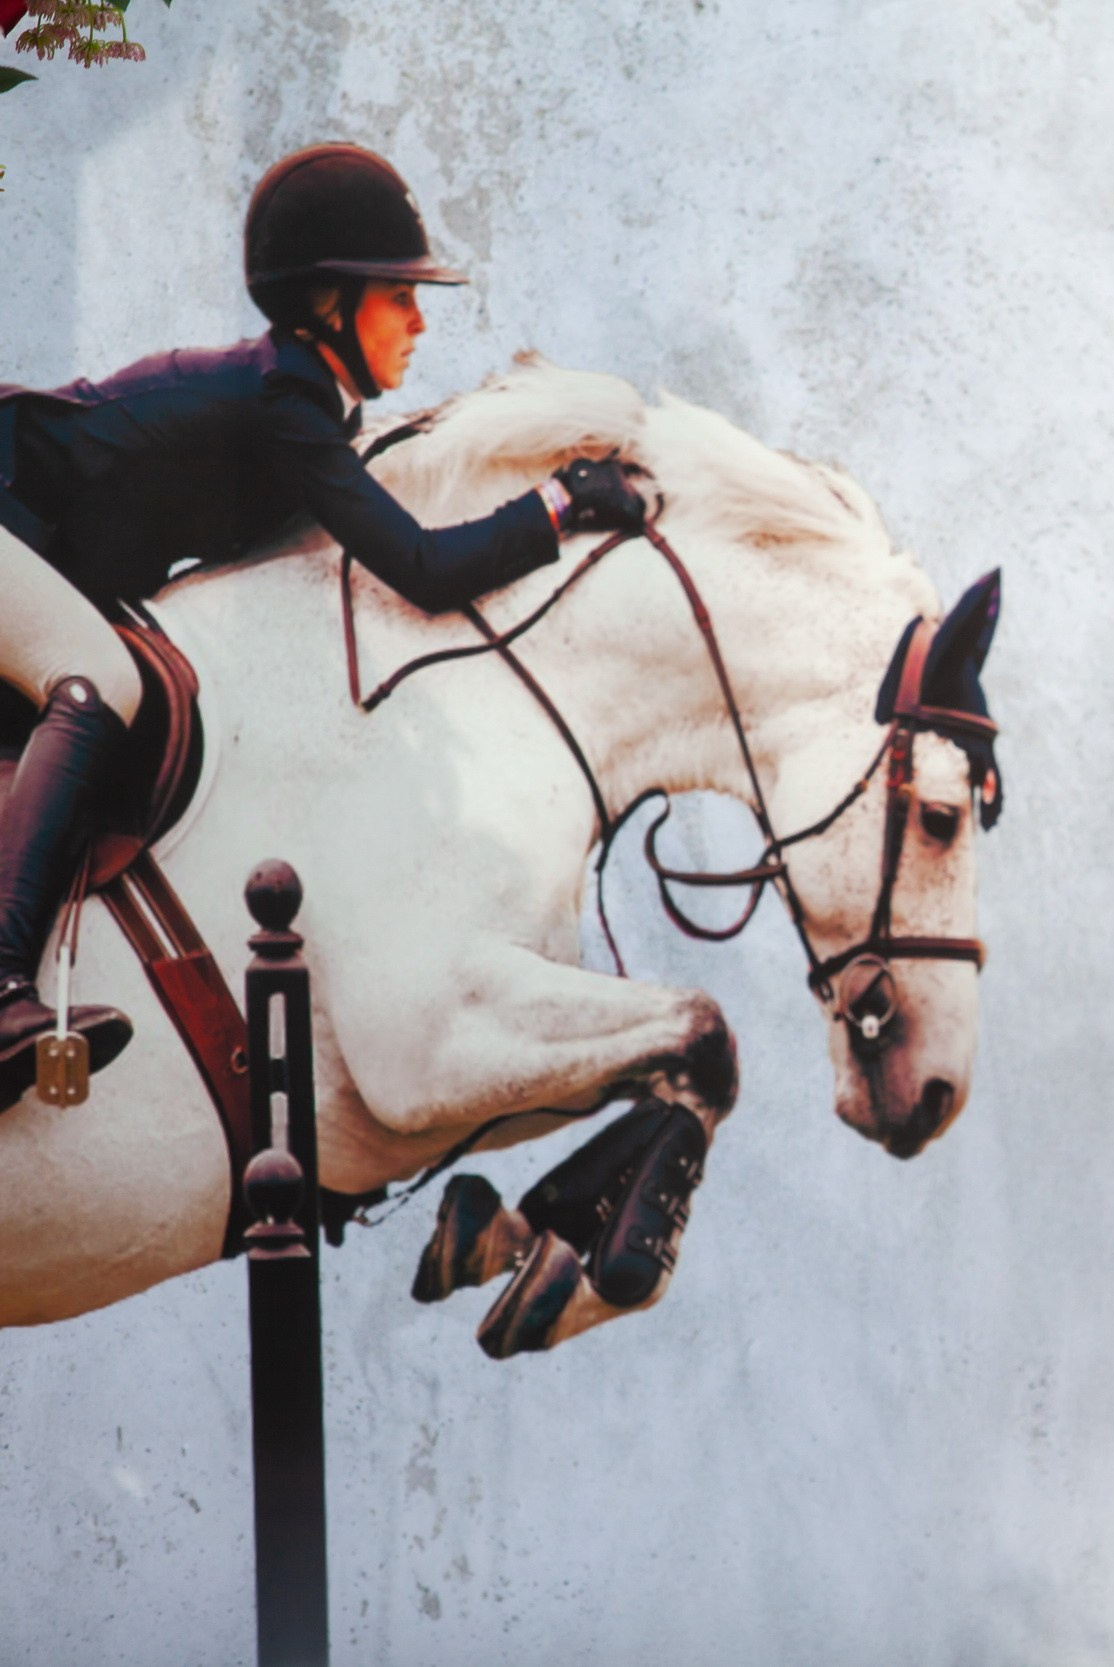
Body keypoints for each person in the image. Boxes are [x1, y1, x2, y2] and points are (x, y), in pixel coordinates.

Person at [0, 143, 646, 1106]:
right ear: (327, 306)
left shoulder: (309, 408)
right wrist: (557, 502)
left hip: (47, 548)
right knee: (100, 683)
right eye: (399, 297)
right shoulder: (286, 400)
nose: (421, 320)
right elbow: (422, 570)